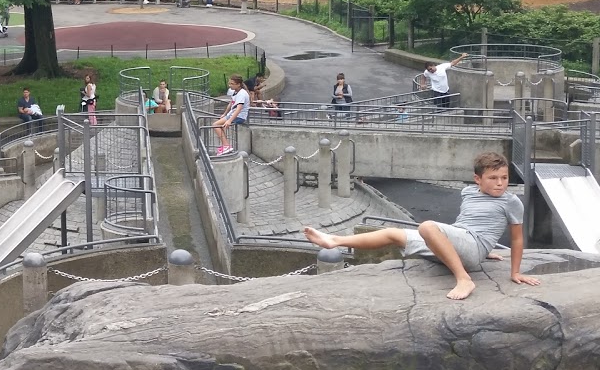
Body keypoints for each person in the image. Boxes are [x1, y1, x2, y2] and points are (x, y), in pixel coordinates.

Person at [304, 152, 539, 301]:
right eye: (493, 178)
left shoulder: (511, 201)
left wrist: (514, 271)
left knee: (427, 226)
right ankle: (335, 240)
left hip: (473, 248)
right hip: (462, 244)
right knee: (393, 233)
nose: (500, 183)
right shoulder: (468, 192)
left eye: (504, 178)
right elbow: (471, 221)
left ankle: (464, 278)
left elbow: (516, 238)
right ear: (477, 179)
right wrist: (486, 250)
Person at [212, 75, 249, 155]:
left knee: (215, 125)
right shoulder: (235, 92)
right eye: (229, 83)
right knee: (218, 125)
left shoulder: (242, 94)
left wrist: (229, 120)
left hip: (239, 116)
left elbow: (239, 109)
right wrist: (224, 114)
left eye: (232, 84)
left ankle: (226, 145)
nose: (230, 85)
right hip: (232, 114)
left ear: (238, 84)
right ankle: (226, 145)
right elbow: (231, 103)